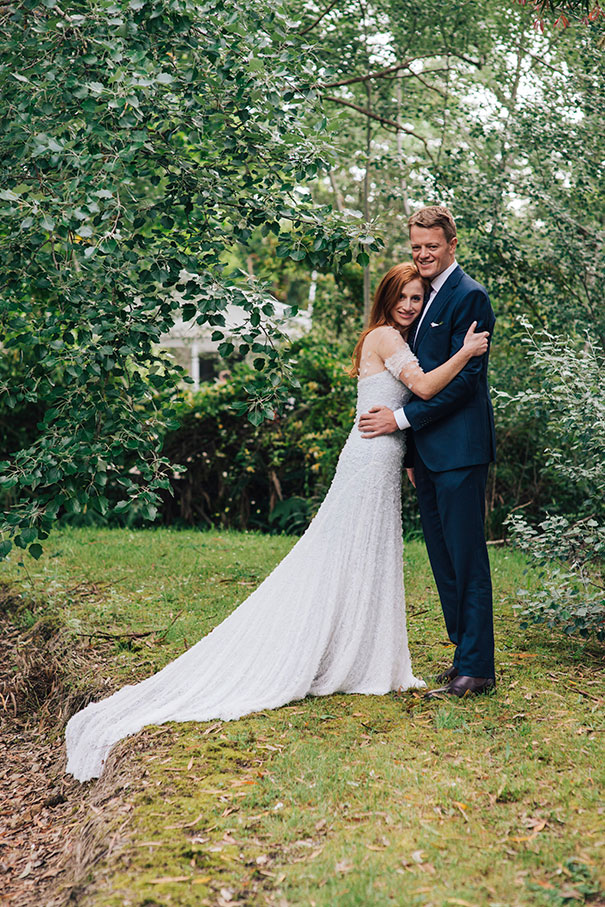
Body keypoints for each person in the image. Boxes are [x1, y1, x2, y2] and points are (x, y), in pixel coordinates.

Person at [65, 262, 489, 782]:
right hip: (372, 455)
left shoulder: (394, 338)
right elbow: (422, 388)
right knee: (345, 549)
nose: (408, 305)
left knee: (365, 552)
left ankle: (361, 648)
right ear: (385, 299)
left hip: (382, 456)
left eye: (416, 298)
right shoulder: (384, 336)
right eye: (401, 296)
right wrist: (466, 352)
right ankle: (338, 648)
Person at [359, 206, 496, 698]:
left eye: (432, 246)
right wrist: (412, 456)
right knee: (443, 561)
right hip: (427, 457)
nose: (423, 254)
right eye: (416, 246)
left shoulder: (470, 296)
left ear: (452, 245)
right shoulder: (419, 298)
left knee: (466, 559)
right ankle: (463, 656)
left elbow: (463, 384)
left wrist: (399, 422)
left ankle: (477, 669)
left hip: (460, 451)